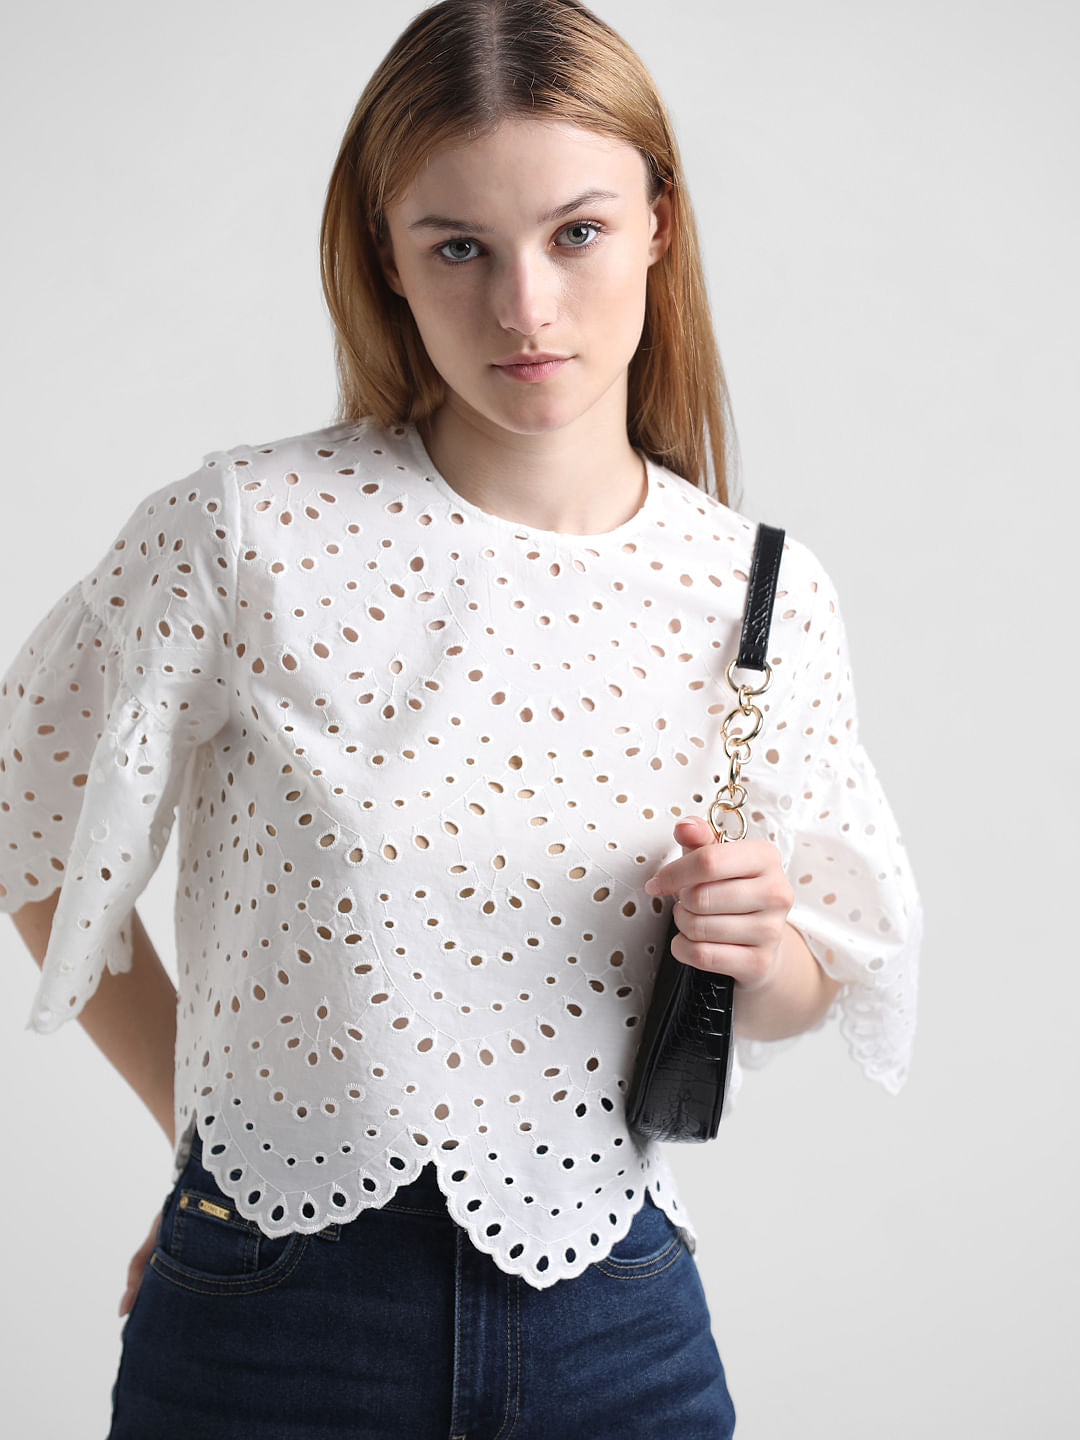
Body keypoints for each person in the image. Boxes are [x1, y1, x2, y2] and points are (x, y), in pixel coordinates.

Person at [0, 1, 923, 1435]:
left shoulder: (759, 592)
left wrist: (759, 947)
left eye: (575, 234)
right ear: (387, 256)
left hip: (616, 1321)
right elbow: (32, 812)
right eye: (459, 248)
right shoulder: (245, 531)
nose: (524, 309)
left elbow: (816, 984)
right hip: (269, 1315)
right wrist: (215, 1140)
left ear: (660, 224)